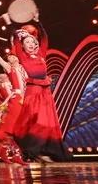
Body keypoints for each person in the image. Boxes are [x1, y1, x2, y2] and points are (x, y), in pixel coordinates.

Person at [10, 24, 70, 162]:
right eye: (27, 42)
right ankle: (33, 150)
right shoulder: (23, 56)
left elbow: (45, 40)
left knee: (48, 122)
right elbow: (16, 42)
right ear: (23, 46)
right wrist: (15, 31)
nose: (30, 44)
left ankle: (47, 152)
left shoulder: (41, 54)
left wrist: (40, 25)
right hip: (33, 91)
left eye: (32, 41)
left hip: (45, 92)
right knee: (36, 121)